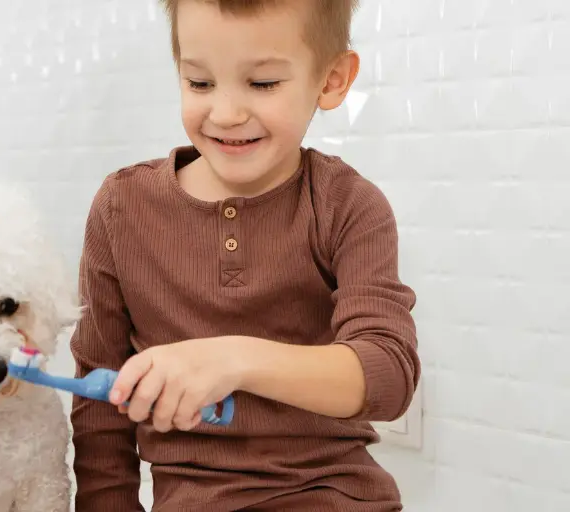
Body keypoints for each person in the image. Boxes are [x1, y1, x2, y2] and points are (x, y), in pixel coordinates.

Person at [69, 1, 419, 511]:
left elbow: (387, 375)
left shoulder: (348, 206)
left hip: (333, 497)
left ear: (331, 80)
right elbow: (99, 407)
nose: (226, 113)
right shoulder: (122, 207)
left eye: (263, 84)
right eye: (200, 83)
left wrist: (233, 359)